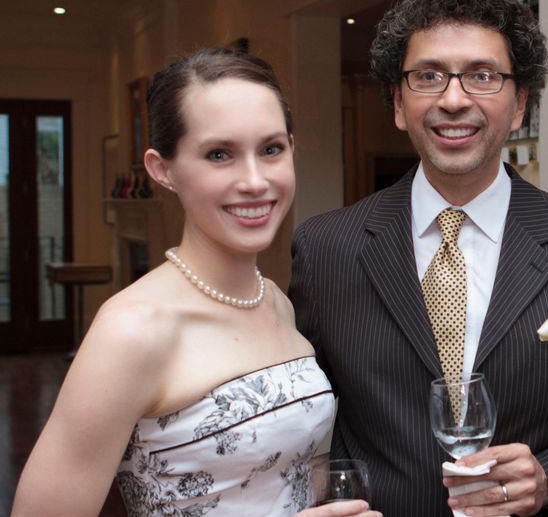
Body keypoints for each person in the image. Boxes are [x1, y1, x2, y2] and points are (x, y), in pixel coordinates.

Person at [289, 0, 548, 516]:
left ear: (519, 102)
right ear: (397, 102)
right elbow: (300, 423)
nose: (454, 100)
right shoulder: (326, 250)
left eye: (482, 76)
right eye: (428, 76)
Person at [12, 49, 380, 517]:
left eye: (271, 149)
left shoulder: (276, 302)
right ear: (162, 169)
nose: (255, 180)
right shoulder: (133, 329)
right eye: (219, 154)